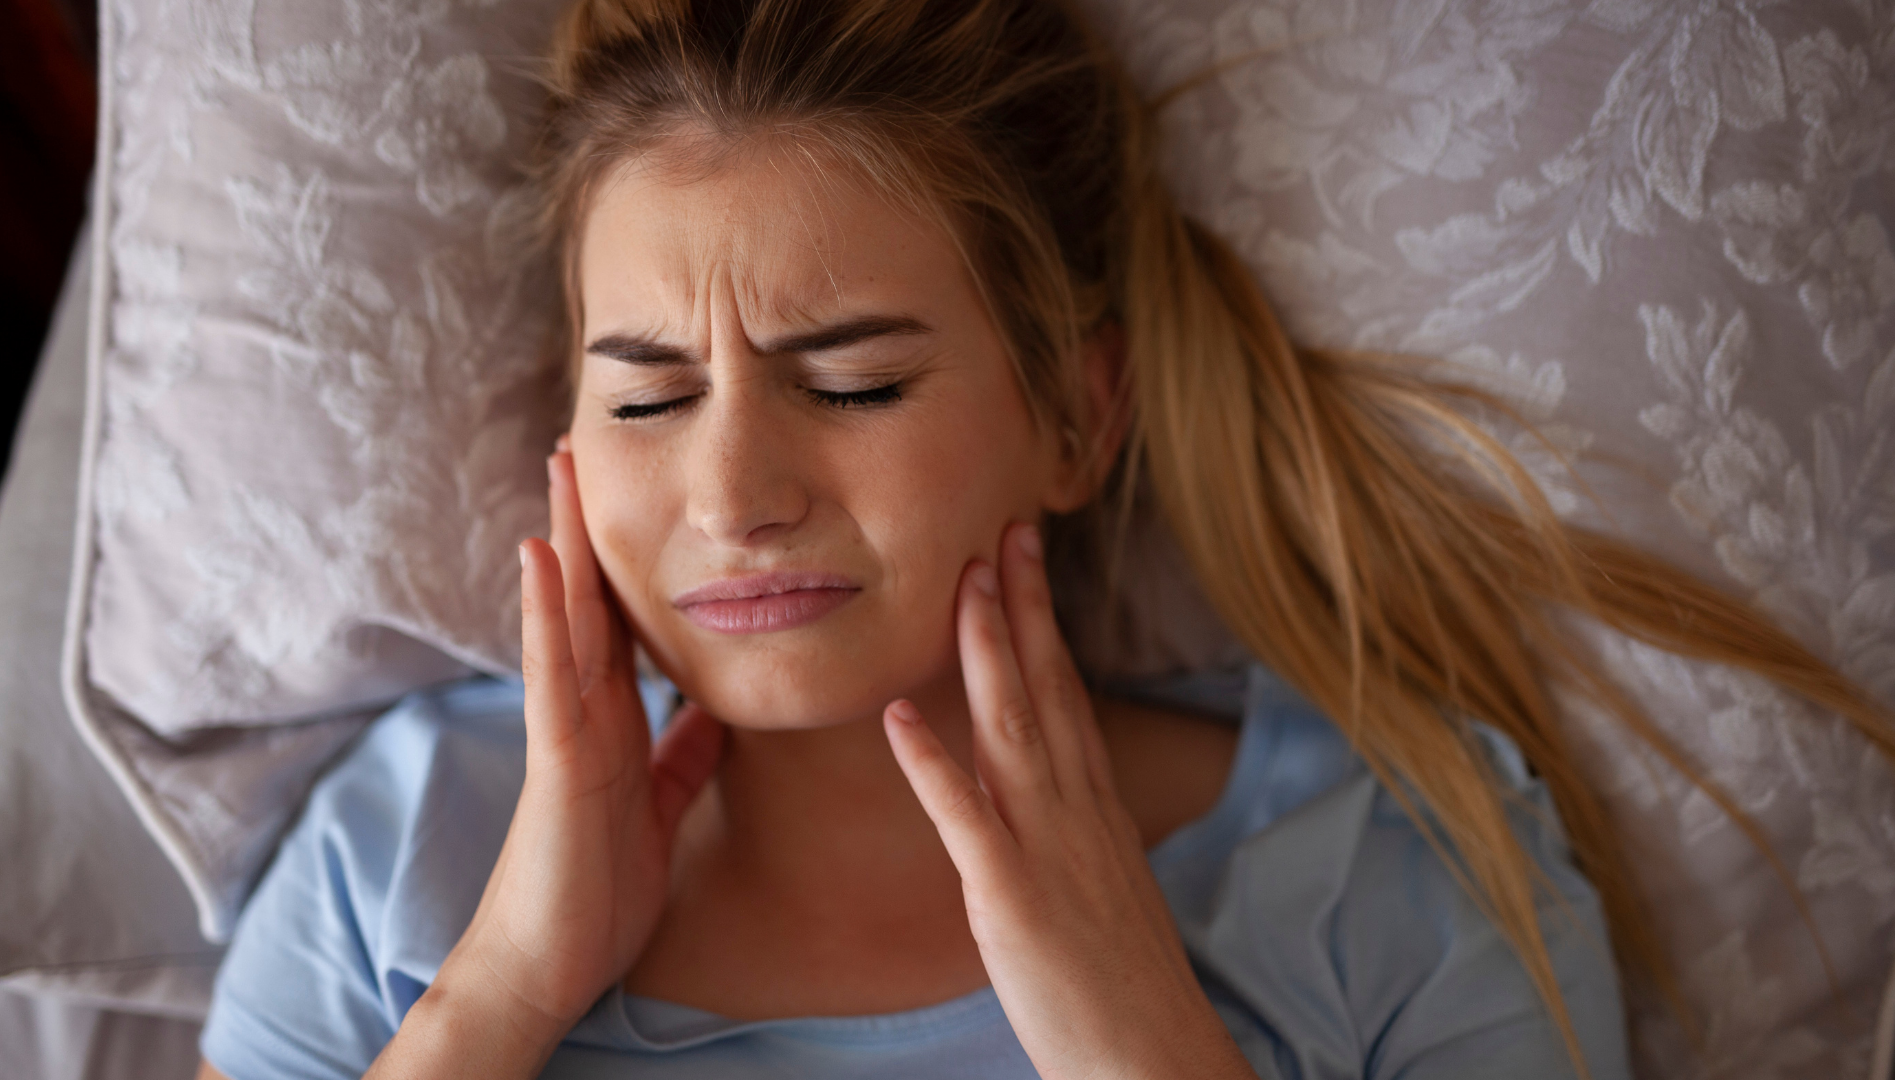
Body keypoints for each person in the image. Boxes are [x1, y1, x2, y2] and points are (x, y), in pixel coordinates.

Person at [193, 1, 1893, 1078]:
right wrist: (499, 1002)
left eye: (851, 382)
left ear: (1078, 417)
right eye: (644, 399)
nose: (730, 495)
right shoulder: (392, 867)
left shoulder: (1402, 881)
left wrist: (1144, 1046)